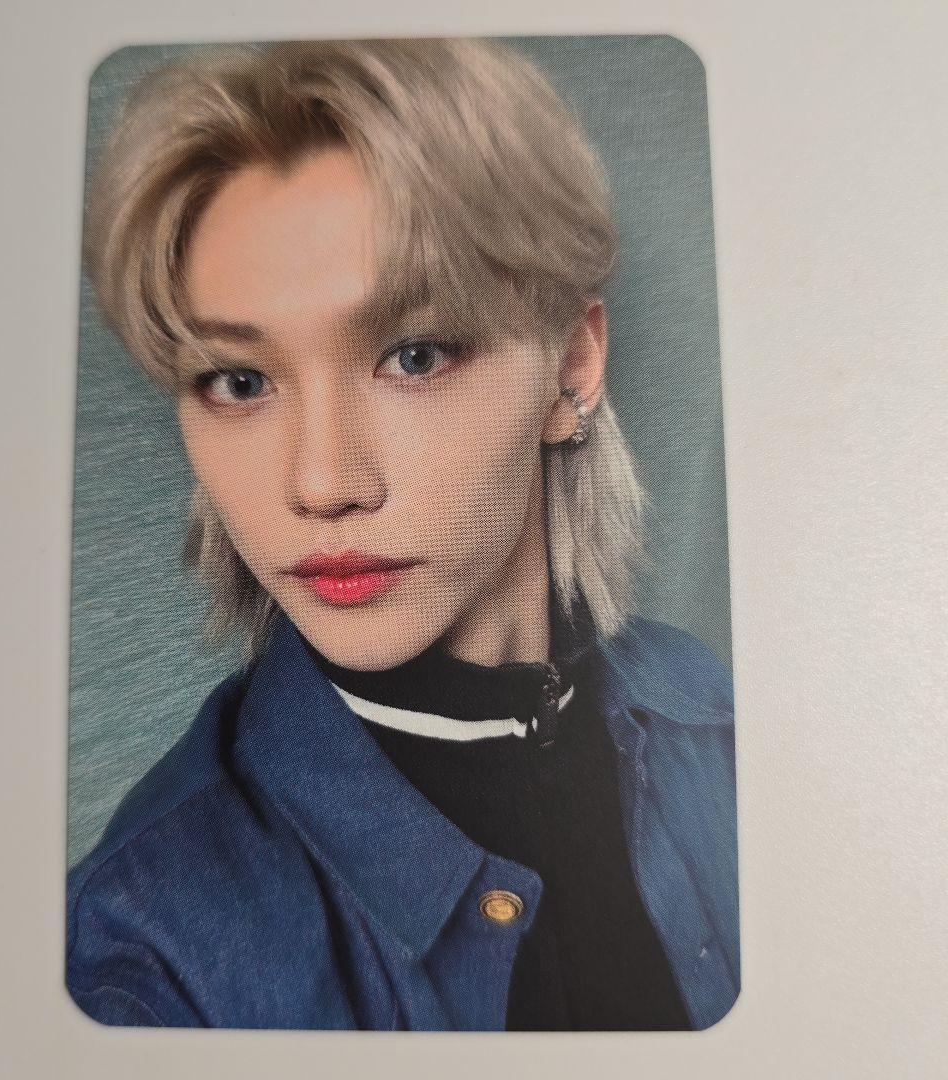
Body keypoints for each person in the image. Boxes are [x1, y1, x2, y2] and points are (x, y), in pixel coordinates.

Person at [66, 36, 739, 1031]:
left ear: (572, 365)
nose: (321, 484)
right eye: (239, 382)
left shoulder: (716, 717)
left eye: (414, 356)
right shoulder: (141, 959)